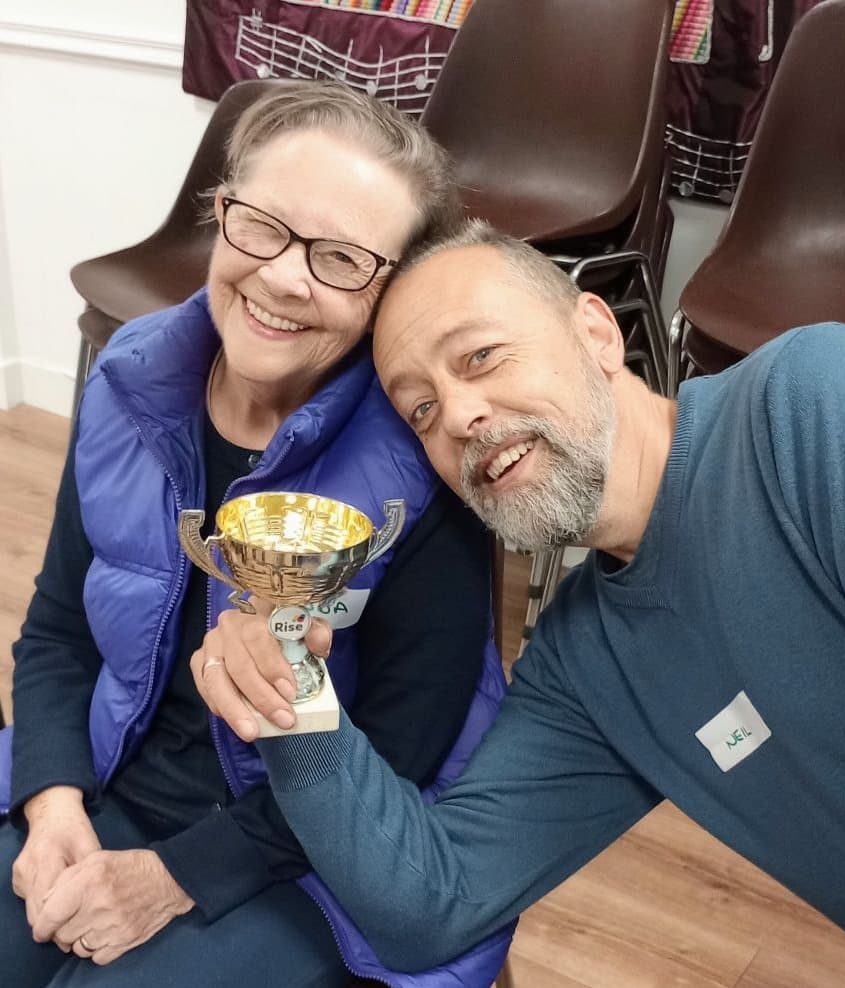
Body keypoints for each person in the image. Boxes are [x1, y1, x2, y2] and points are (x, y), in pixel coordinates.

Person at [194, 220, 845, 973]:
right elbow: (429, 911)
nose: (456, 417)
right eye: (420, 411)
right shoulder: (584, 661)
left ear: (596, 333)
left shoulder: (809, 403)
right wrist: (292, 698)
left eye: (480, 356)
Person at [0, 91, 515, 988]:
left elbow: (405, 747)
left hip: (312, 847)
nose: (283, 277)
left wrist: (175, 878)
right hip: (110, 780)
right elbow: (59, 632)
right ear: (220, 210)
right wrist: (51, 805)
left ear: (389, 292)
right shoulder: (128, 381)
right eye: (262, 225)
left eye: (343, 259)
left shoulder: (426, 452)